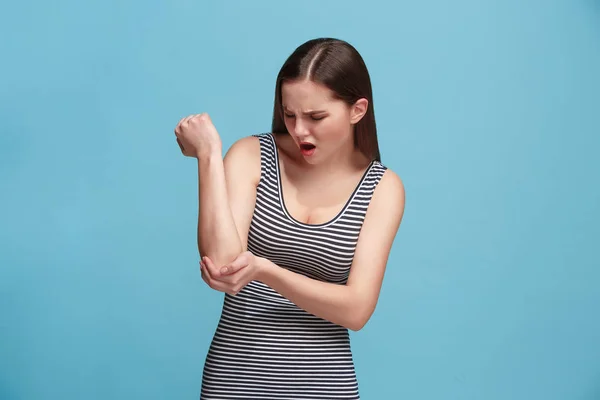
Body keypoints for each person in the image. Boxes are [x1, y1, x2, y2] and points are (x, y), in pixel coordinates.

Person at [174, 37, 405, 400]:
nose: (299, 130)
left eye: (315, 117)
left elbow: (357, 309)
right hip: (235, 382)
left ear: (357, 110)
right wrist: (208, 156)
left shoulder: (382, 188)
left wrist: (266, 271)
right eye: (289, 114)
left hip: (326, 387)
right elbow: (222, 265)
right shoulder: (252, 155)